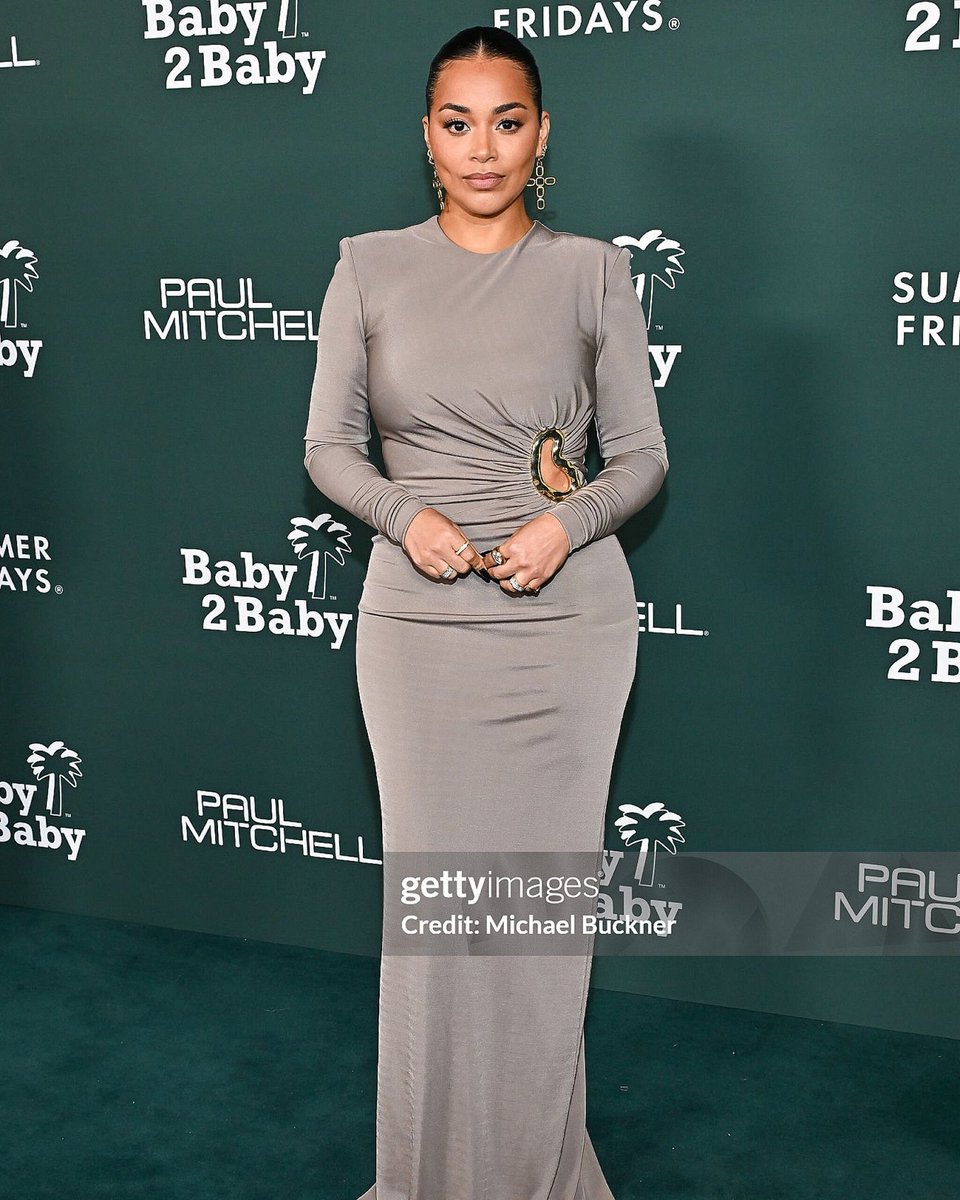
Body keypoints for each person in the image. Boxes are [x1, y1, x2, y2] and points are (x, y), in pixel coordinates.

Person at [303, 24, 668, 1200]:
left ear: (541, 131)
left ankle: (535, 1171)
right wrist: (406, 518)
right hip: (419, 630)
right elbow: (327, 446)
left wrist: (569, 524)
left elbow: (644, 456)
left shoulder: (593, 271)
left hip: (568, 631)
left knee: (536, 918)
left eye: (506, 121)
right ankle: (426, 1176)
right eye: (457, 122)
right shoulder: (366, 264)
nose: (482, 148)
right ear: (425, 133)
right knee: (438, 912)